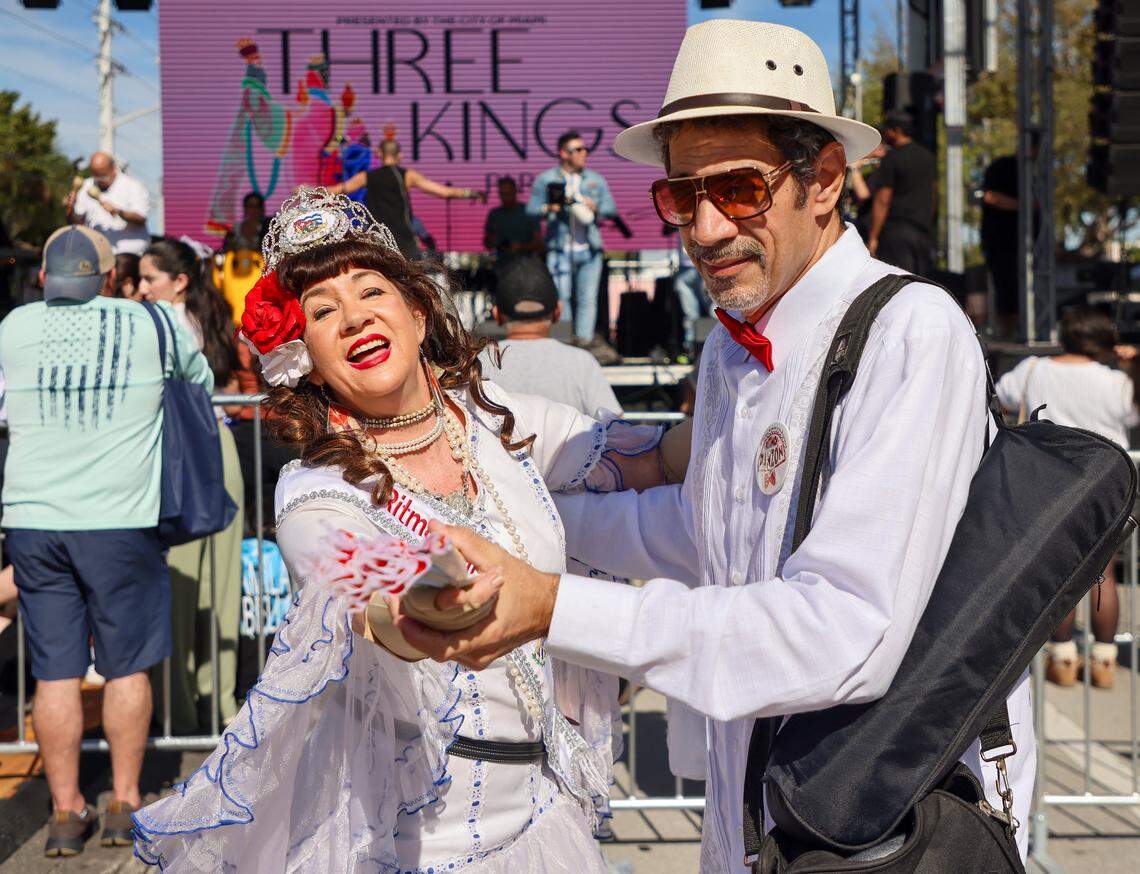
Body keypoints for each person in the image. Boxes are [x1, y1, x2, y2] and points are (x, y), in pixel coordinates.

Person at [390, 19, 1037, 867]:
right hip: (765, 819)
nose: (701, 227)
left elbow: (842, 631)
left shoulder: (909, 334)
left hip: (896, 831)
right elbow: (704, 537)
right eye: (678, 194)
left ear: (826, 181)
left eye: (737, 188)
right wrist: (512, 526)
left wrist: (550, 606)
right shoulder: (733, 343)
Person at [132, 188, 617, 872]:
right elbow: (350, 572)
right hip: (419, 842)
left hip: (545, 814)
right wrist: (416, 600)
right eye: (323, 312)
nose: (353, 316)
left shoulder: (493, 414)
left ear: (417, 313)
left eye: (370, 292)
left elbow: (645, 457)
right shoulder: (314, 486)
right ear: (305, 355)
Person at [0, 226, 212, 856]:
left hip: (35, 519)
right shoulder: (151, 324)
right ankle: (123, 800)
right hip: (122, 518)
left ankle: (65, 812)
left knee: (56, 670)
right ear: (111, 277)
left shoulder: (12, 327)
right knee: (126, 666)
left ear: (44, 277)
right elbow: (198, 380)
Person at [996, 306, 1138, 689]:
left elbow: (1004, 399)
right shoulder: (1115, 383)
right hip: (1106, 484)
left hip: (1048, 482)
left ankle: (1062, 657)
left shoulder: (1033, 370)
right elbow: (1133, 412)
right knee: (1101, 572)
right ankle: (1104, 661)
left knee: (1059, 571)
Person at [138, 239, 245, 732]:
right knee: (221, 585)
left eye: (148, 279)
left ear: (178, 281)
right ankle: (218, 701)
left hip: (180, 453)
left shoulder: (159, 325)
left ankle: (178, 709)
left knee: (180, 586)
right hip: (218, 446)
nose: (139, 289)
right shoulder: (213, 314)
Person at [479, 255, 621, 417]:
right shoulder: (582, 363)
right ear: (557, 312)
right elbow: (617, 430)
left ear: (496, 315)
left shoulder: (478, 363)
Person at [528, 130, 617, 352]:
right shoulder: (547, 179)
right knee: (562, 298)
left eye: (585, 149)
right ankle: (563, 345)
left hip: (589, 249)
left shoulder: (595, 179)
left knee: (588, 298)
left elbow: (611, 209)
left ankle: (584, 345)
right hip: (559, 248)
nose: (584, 153)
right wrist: (549, 208)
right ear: (563, 153)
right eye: (578, 149)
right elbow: (530, 210)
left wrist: (595, 207)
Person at [328, 139, 484, 261]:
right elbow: (444, 192)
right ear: (399, 156)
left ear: (379, 154)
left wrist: (309, 189)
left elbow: (341, 189)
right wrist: (472, 193)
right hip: (404, 242)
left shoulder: (367, 176)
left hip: (378, 241)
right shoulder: (407, 176)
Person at [981, 136, 1038, 340]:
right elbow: (990, 197)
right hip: (1002, 242)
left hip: (1028, 245)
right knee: (1007, 291)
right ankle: (1008, 335)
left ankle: (1016, 332)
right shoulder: (1003, 166)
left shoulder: (1036, 174)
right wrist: (1024, 206)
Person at [867, 111, 936, 275]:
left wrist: (874, 236)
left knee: (898, 287)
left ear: (897, 130)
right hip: (922, 233)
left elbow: (883, 199)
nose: (886, 135)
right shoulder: (928, 157)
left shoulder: (892, 158)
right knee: (921, 284)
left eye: (888, 130)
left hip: (896, 233)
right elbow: (934, 195)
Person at [66, 152, 151, 256]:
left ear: (114, 168)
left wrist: (119, 212)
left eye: (104, 176)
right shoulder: (86, 186)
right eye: (96, 176)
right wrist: (71, 207)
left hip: (129, 255)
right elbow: (77, 222)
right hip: (97, 255)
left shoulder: (133, 186)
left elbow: (141, 218)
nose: (100, 180)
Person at [484, 176, 542, 270]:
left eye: (508, 193)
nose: (506, 196)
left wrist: (521, 247)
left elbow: (539, 243)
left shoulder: (528, 212)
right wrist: (493, 240)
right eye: (503, 193)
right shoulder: (494, 215)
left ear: (515, 191)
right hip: (502, 267)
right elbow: (487, 243)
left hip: (527, 267)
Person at [847, 138, 888, 241]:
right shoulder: (871, 171)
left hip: (873, 228)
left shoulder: (883, 171)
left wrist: (854, 168)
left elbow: (863, 194)